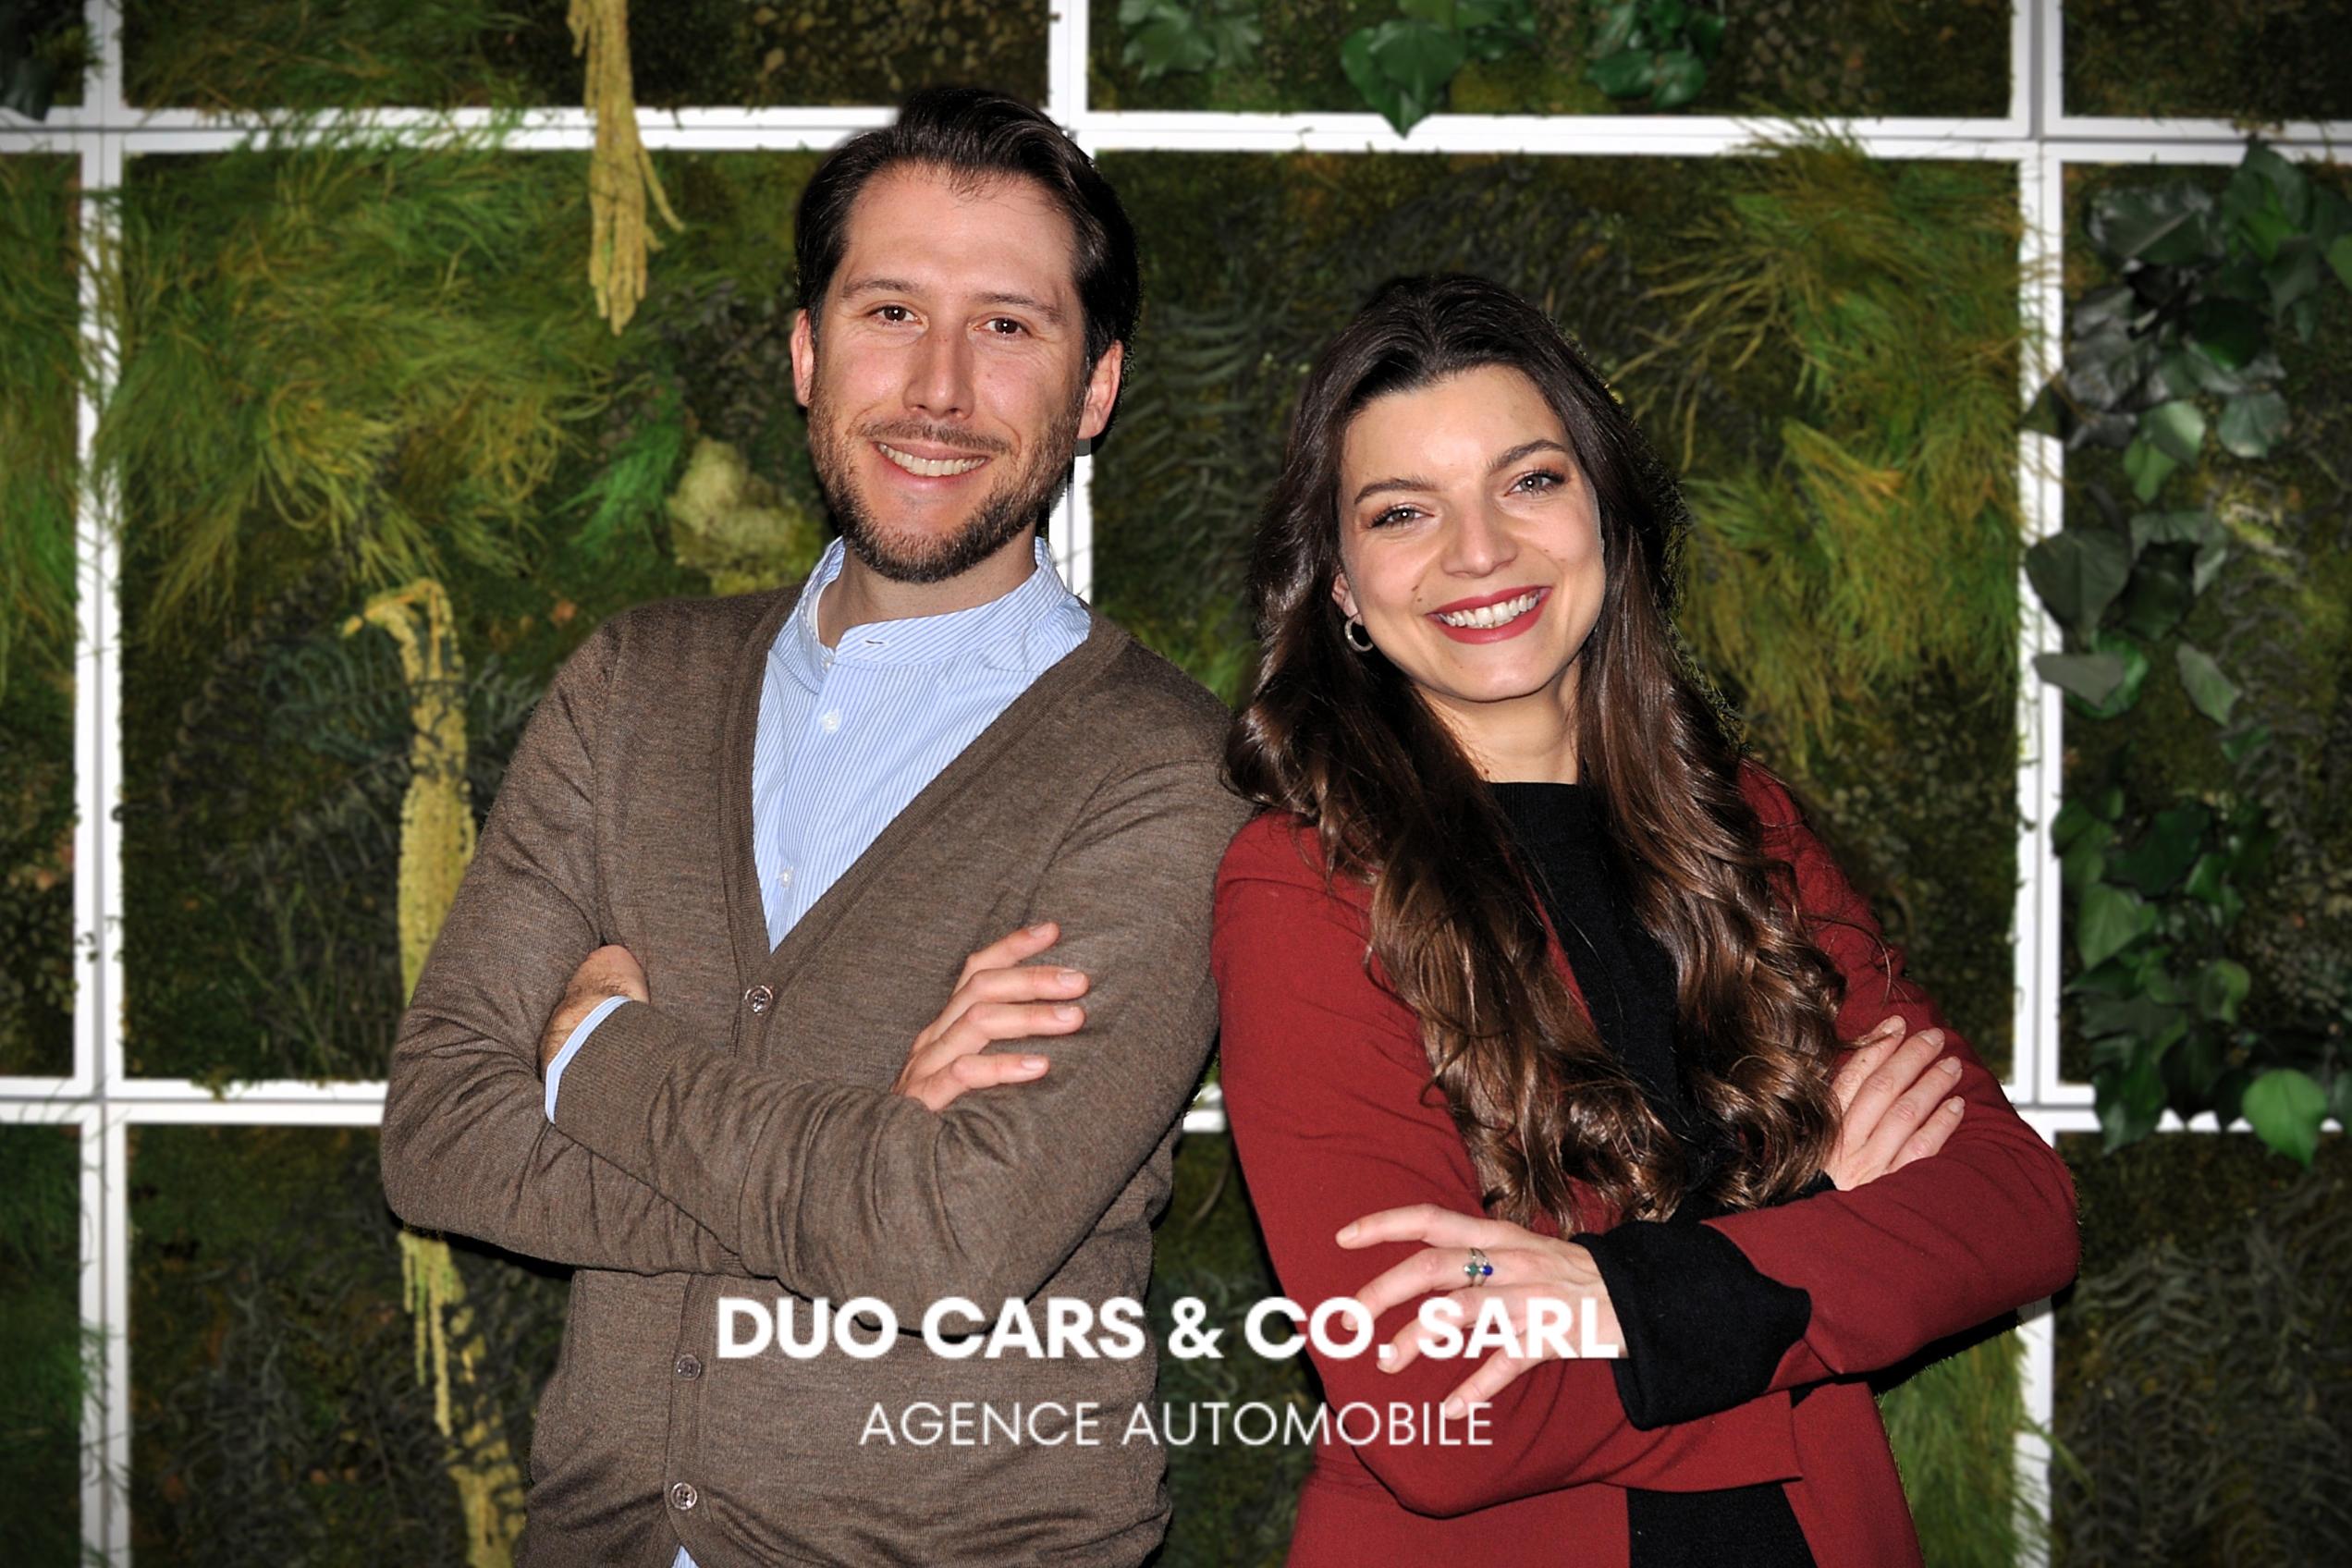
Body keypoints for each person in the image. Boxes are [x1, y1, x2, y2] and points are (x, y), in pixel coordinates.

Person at [380, 87, 1248, 1566]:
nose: (938, 388)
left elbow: (954, 1246)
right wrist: (871, 1163)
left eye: (1008, 326)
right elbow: (441, 1139)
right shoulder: (633, 687)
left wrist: (599, 1056)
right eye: (890, 311)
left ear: (1097, 389)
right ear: (806, 351)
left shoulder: (1165, 773)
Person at [1211, 275, 2080, 1567]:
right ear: (1341, 585)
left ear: (1608, 519)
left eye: (1530, 482)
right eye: (1404, 511)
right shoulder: (1304, 887)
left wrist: (1616, 1297)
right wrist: (1820, 1223)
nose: (1479, 551)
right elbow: (1436, 1416)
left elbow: (2018, 1208)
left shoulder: (1746, 829)